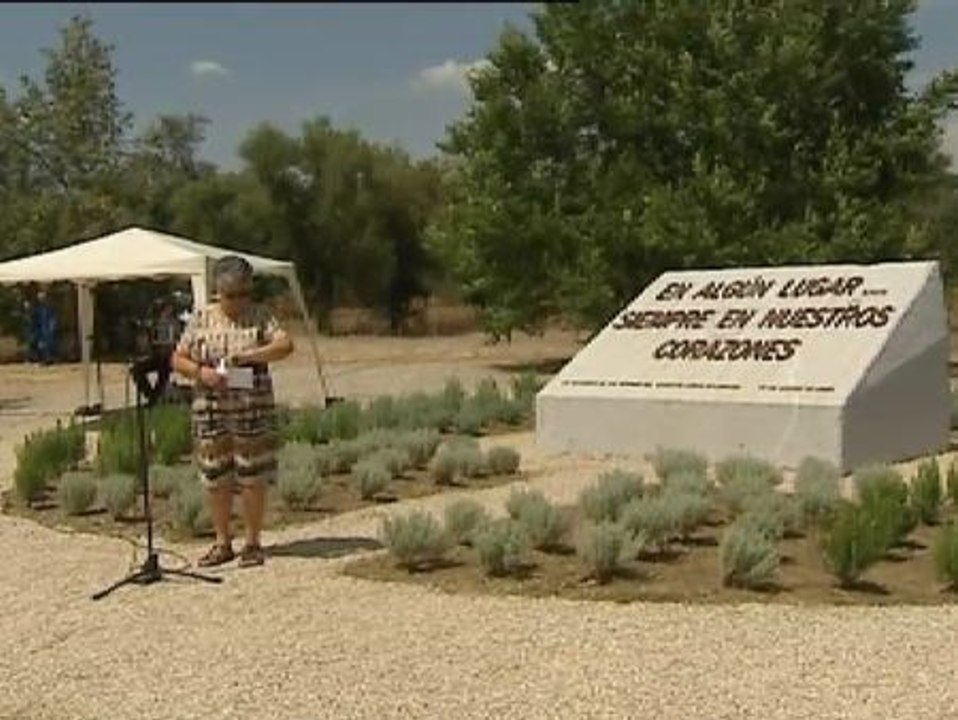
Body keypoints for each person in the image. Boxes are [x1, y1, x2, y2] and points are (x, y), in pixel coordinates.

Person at [170, 256, 294, 568]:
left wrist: (250, 354)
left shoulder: (261, 315)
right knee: (215, 475)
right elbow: (178, 358)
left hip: (250, 407)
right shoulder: (201, 318)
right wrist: (201, 373)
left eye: (242, 293)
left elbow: (285, 345)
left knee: (252, 474)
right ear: (217, 292)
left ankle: (252, 542)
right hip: (211, 408)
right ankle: (222, 541)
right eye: (230, 295)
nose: (237, 301)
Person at [131, 299, 180, 406]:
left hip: (169, 357)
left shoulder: (174, 323)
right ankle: (151, 396)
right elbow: (149, 342)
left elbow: (175, 342)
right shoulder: (154, 322)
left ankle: (155, 398)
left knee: (164, 369)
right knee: (137, 370)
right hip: (158, 356)